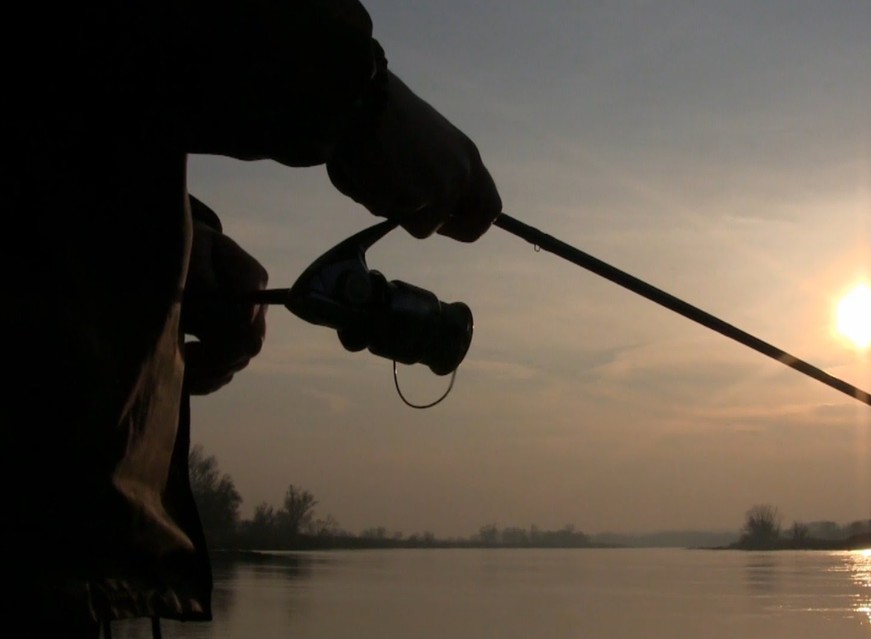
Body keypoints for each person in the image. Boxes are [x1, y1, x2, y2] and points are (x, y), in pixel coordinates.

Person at [6, 1, 501, 636]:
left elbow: (66, 108)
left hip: (60, 522)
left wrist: (185, 242)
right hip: (33, 523)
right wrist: (361, 99)